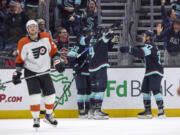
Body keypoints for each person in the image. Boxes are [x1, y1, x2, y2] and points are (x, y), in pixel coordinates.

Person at [12, 20, 66, 129]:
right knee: (35, 96)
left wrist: (57, 62)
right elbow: (20, 59)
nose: (33, 28)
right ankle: (36, 118)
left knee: (51, 95)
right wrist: (17, 73)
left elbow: (54, 52)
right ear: (27, 30)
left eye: (34, 26)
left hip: (45, 70)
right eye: (30, 27)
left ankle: (48, 115)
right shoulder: (23, 42)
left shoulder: (46, 37)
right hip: (30, 71)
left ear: (37, 28)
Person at [120, 30, 165, 119]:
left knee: (155, 89)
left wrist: (129, 49)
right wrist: (136, 51)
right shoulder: (149, 46)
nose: (142, 37)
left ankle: (161, 111)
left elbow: (140, 52)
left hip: (155, 71)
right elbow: (141, 54)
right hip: (149, 71)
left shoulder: (150, 46)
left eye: (144, 36)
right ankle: (148, 111)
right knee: (144, 89)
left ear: (148, 37)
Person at [88, 26, 118, 119]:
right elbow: (109, 36)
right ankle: (97, 111)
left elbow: (106, 48)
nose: (105, 32)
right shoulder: (101, 38)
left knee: (94, 90)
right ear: (100, 31)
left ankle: (91, 111)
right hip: (100, 66)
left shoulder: (92, 39)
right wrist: (111, 31)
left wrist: (112, 42)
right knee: (101, 88)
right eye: (104, 30)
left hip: (92, 67)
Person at [67, 27, 91, 118]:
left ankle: (88, 109)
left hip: (89, 71)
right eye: (89, 34)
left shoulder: (91, 45)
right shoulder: (79, 44)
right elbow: (70, 56)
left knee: (89, 91)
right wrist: (76, 66)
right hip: (80, 71)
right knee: (81, 90)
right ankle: (81, 109)